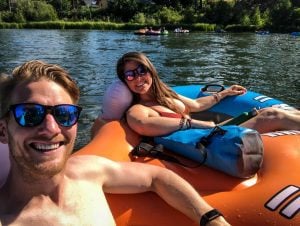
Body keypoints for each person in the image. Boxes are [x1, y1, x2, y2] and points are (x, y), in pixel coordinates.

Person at [0, 60, 230, 226]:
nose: (51, 128)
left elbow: (157, 177)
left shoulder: (88, 171)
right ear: (3, 130)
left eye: (64, 114)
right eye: (30, 114)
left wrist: (211, 219)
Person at [115, 51, 300, 136]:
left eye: (141, 71)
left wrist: (224, 93)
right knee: (272, 115)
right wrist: (196, 123)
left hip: (211, 130)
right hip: (203, 139)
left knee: (270, 111)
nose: (138, 79)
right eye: (130, 75)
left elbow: (196, 105)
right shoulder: (138, 109)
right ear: (125, 80)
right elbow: (142, 124)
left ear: (151, 71)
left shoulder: (165, 94)